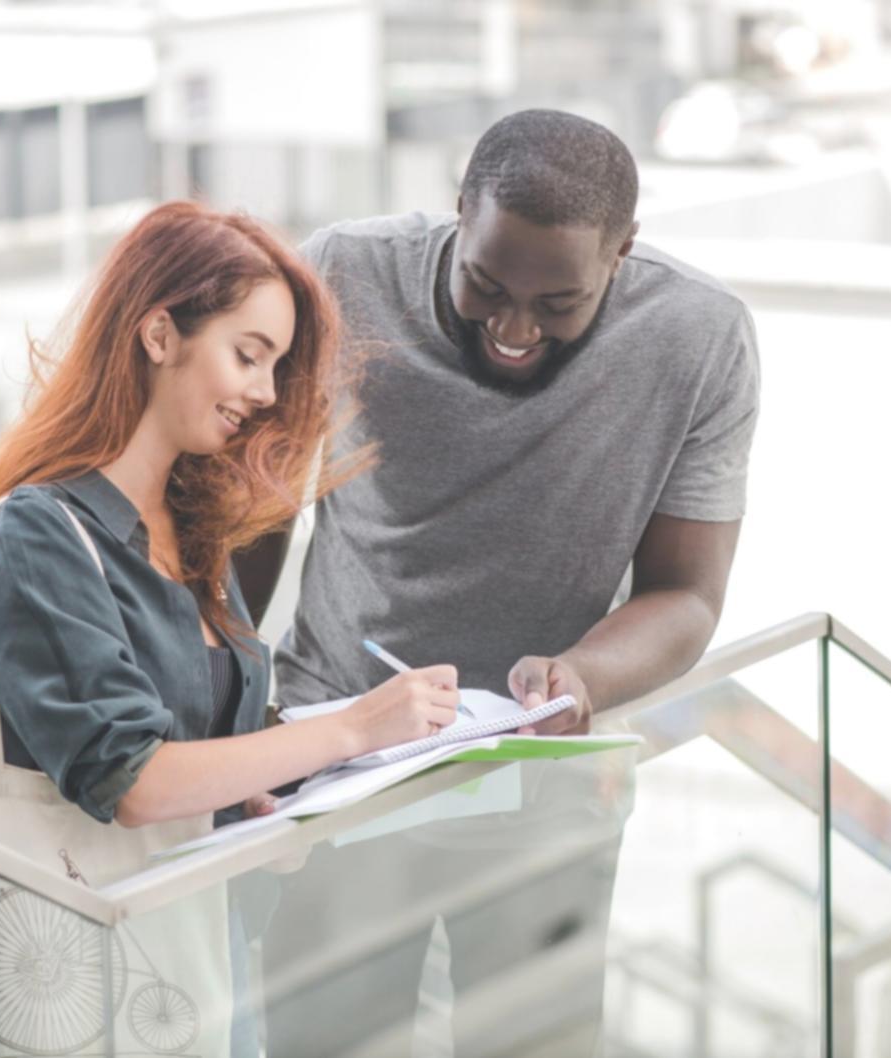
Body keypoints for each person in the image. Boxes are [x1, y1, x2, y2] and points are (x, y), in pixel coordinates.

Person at [0, 201, 463, 1054]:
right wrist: (351, 729)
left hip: (205, 953)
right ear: (159, 333)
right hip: (88, 966)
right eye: (248, 355)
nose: (263, 392)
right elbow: (137, 782)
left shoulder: (192, 531)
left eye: (275, 366)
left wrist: (258, 804)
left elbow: (192, 764)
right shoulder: (38, 531)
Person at [244, 109, 760, 1052]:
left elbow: (687, 593)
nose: (515, 327)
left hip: (541, 789)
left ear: (622, 252)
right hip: (337, 770)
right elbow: (255, 509)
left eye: (558, 302)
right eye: (486, 284)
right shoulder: (342, 275)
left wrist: (585, 678)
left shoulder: (699, 338)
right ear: (458, 213)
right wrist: (230, 710)